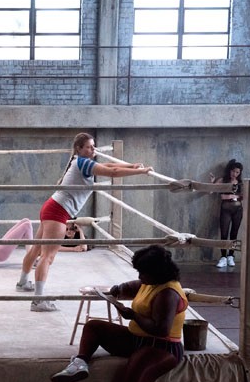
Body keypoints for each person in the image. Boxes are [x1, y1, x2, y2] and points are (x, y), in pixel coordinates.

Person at [50, 245, 188, 382]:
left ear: (156, 272)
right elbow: (134, 286)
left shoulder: (168, 293)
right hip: (137, 339)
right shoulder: (150, 282)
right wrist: (119, 289)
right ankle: (80, 363)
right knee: (93, 327)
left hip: (161, 347)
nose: (140, 276)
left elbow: (161, 330)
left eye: (143, 272)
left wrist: (133, 316)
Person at [15, 132, 153, 312]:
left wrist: (131, 165)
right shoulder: (83, 162)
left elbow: (108, 166)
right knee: (47, 256)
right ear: (79, 149)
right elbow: (112, 172)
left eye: (93, 146)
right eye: (89, 147)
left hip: (52, 207)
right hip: (57, 211)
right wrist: (140, 171)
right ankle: (37, 301)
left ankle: (23, 283)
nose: (93, 149)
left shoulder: (80, 161)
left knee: (36, 249)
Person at [210, 159, 244, 268]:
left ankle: (231, 256)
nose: (235, 174)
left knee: (234, 234)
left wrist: (237, 196)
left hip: (238, 209)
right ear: (230, 170)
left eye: (237, 172)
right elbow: (211, 191)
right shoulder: (223, 180)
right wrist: (213, 182)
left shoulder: (240, 182)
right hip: (225, 209)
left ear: (240, 173)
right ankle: (223, 257)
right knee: (224, 234)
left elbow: (244, 196)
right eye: (233, 171)